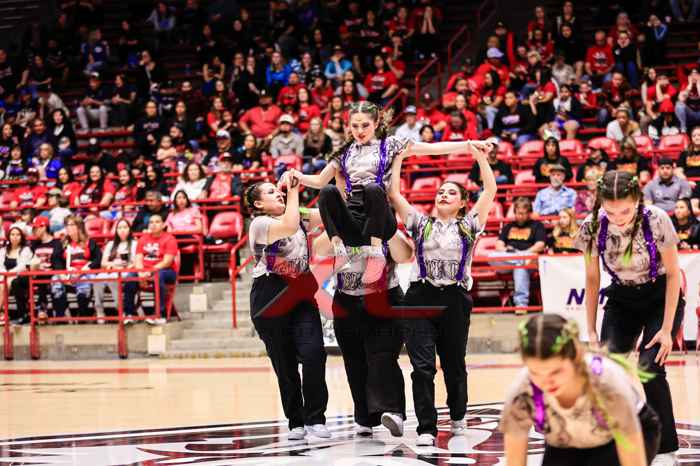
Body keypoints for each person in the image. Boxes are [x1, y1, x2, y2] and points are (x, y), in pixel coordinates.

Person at [283, 101, 490, 285]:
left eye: (365, 125)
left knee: (373, 189)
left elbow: (432, 148)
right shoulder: (345, 151)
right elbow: (319, 180)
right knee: (327, 191)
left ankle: (376, 253)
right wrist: (297, 175)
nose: (360, 131)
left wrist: (469, 145)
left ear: (376, 123)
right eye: (355, 126)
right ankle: (339, 248)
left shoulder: (390, 144)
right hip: (353, 214)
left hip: (380, 214)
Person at [388, 138, 495, 446]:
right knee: (421, 367)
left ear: (462, 202)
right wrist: (399, 158)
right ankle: (426, 428)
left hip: (455, 299)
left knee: (454, 364)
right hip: (419, 298)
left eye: (451, 192)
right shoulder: (421, 223)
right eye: (440, 191)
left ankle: (458, 414)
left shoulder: (470, 224)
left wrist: (480, 157)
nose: (443, 195)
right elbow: (394, 194)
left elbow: (490, 190)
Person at [574, 170, 684, 466]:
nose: (618, 218)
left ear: (637, 199)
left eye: (625, 211)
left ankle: (665, 448)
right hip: (622, 297)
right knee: (606, 369)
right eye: (610, 212)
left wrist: (666, 329)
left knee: (650, 366)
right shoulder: (592, 225)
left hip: (659, 294)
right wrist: (590, 331)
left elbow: (674, 275)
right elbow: (592, 279)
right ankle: (617, 437)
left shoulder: (657, 218)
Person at [500, 314, 661, 466]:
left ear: (576, 356)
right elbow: (515, 461)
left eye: (556, 371)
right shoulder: (522, 392)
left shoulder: (605, 382)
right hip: (567, 438)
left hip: (623, 433)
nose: (546, 382)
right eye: (535, 372)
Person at [244, 172, 329, 441]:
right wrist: (293, 190)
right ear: (258, 204)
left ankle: (316, 418)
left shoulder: (299, 214)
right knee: (285, 364)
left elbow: (329, 213)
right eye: (271, 192)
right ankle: (296, 421)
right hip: (270, 294)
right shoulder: (260, 223)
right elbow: (290, 226)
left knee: (314, 354)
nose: (278, 193)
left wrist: (326, 179)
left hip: (301, 291)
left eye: (277, 189)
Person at [493, 197, 546, 308]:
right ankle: (519, 260)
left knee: (520, 267)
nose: (519, 216)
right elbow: (498, 245)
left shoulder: (537, 225)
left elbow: (540, 245)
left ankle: (521, 305)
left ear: (529, 213)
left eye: (522, 213)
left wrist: (525, 253)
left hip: (528, 257)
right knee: (492, 256)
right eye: (517, 213)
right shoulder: (509, 226)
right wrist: (508, 251)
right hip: (512, 258)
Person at [93, 219, 139, 324]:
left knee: (113, 278)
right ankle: (99, 311)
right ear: (116, 230)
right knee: (97, 279)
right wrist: (113, 265)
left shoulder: (135, 244)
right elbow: (103, 263)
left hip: (126, 271)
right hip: (112, 270)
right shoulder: (110, 244)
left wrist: (125, 267)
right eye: (119, 228)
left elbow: (136, 262)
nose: (122, 230)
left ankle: (121, 309)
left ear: (129, 229)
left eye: (125, 227)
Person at [135, 213, 177, 324]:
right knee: (130, 277)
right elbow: (138, 259)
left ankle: (159, 314)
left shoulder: (170, 239)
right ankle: (130, 313)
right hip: (145, 271)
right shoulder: (143, 238)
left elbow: (167, 262)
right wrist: (140, 273)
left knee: (159, 276)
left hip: (166, 271)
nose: (153, 224)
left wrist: (150, 271)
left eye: (157, 222)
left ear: (163, 225)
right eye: (151, 222)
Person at [62, 215, 102, 320]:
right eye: (66, 225)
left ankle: (82, 316)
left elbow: (98, 259)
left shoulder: (90, 242)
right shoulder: (63, 243)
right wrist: (64, 273)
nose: (68, 228)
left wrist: (86, 268)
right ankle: (62, 317)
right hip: (69, 274)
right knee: (56, 284)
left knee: (84, 282)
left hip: (86, 273)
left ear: (79, 227)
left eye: (71, 225)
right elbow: (58, 261)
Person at [30, 216, 68, 322]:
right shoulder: (34, 245)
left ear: (43, 227)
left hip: (52, 273)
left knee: (55, 282)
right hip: (38, 275)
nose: (34, 231)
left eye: (36, 228)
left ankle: (59, 315)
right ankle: (41, 310)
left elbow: (58, 263)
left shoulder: (56, 243)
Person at [0, 227, 33, 325]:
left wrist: (9, 273)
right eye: (12, 234)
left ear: (21, 237)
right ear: (9, 236)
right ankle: (3, 313)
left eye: (18, 235)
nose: (15, 237)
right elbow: (0, 265)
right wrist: (5, 274)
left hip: (18, 276)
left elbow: (22, 266)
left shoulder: (26, 249)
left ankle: (2, 313)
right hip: (4, 275)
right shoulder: (3, 250)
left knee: (7, 282)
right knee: (2, 283)